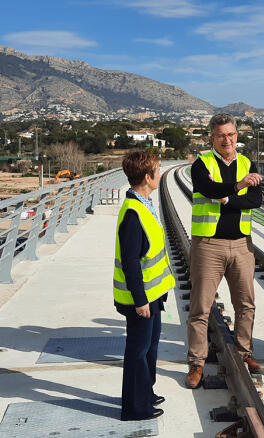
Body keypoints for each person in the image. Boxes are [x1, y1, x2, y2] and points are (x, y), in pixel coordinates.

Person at [186, 113, 264, 389]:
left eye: (231, 135)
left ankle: (245, 353)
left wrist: (228, 197)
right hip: (209, 244)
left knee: (246, 304)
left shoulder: (246, 162)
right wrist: (240, 187)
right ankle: (196, 362)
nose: (227, 139)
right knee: (201, 307)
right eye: (221, 135)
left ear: (237, 135)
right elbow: (207, 188)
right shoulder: (202, 163)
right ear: (212, 138)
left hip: (242, 244)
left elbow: (257, 199)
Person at [113, 150, 175, 421]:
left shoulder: (144, 203)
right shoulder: (133, 213)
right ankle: (134, 408)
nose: (160, 174)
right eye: (158, 171)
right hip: (140, 298)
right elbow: (130, 262)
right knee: (137, 352)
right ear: (148, 177)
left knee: (150, 347)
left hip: (154, 293)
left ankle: (145, 393)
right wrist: (140, 301)